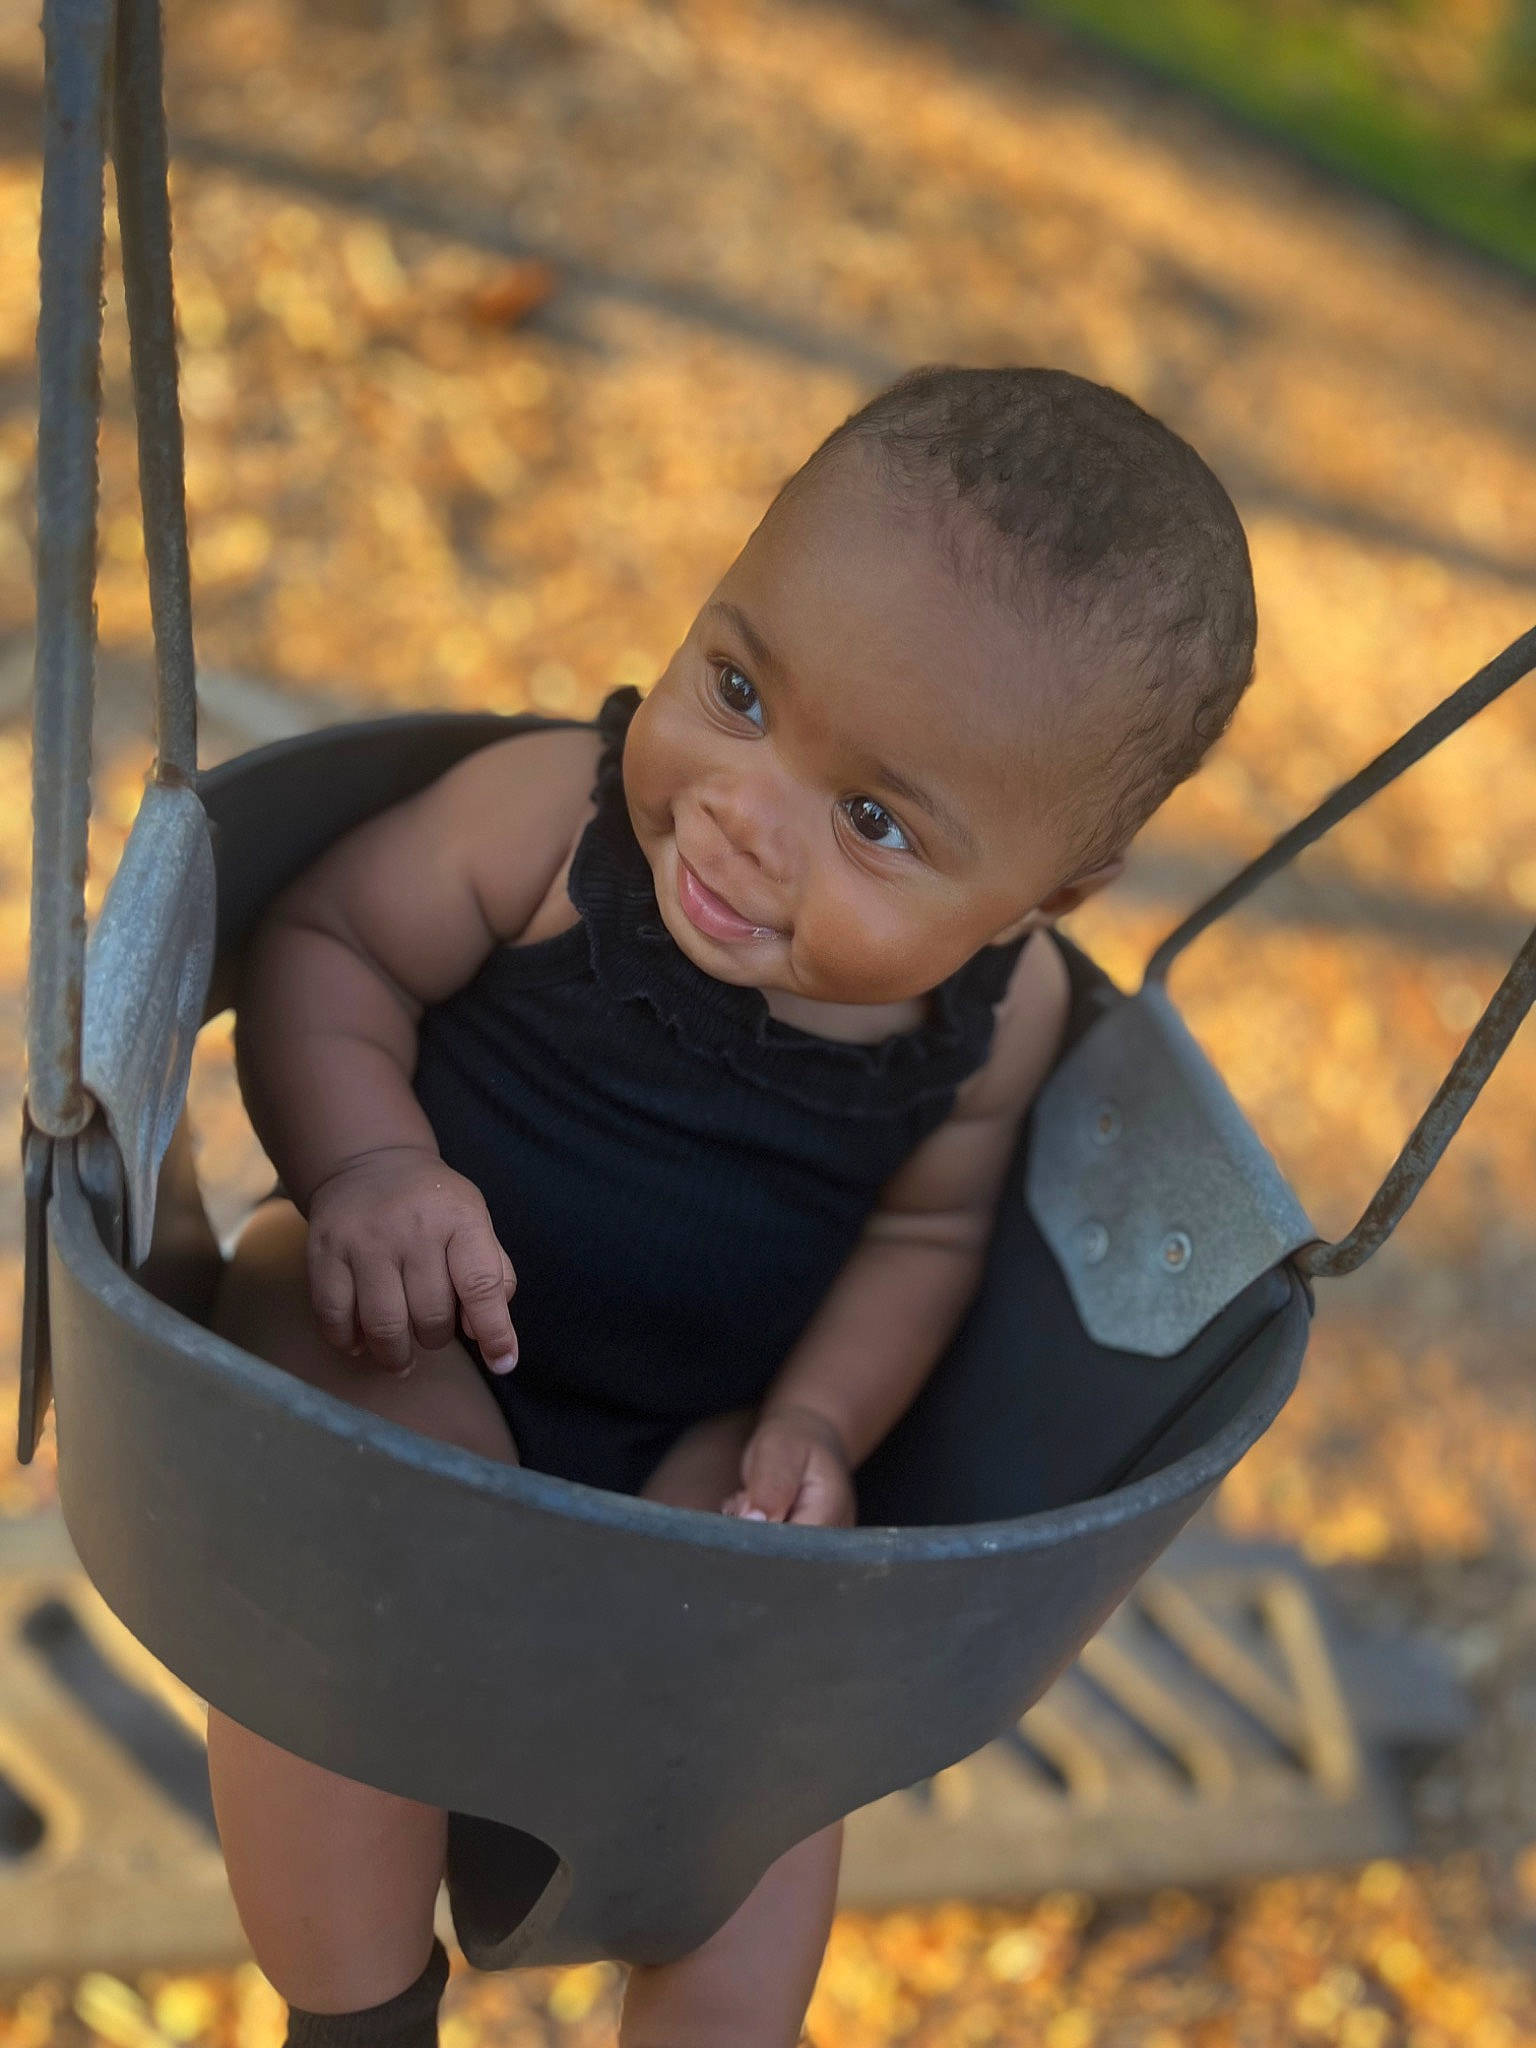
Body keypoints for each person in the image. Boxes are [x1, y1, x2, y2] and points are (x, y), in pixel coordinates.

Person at [205, 365, 1258, 2048]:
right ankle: (360, 2014)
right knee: (371, 1542)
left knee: (781, 1693)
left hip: (686, 1426)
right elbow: (325, 943)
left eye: (872, 821)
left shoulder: (1004, 1021)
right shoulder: (554, 822)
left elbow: (922, 1239)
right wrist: (370, 1171)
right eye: (742, 687)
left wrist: (816, 1424)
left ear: (1039, 900)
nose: (742, 819)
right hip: (390, 1320)